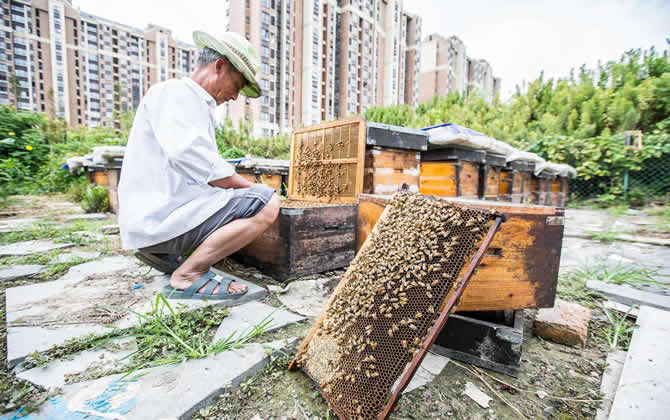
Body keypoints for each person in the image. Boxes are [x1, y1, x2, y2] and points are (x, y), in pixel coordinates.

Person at [118, 31, 279, 300]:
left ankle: (167, 253)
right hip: (156, 221)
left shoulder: (190, 103)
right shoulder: (176, 94)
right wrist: (253, 187)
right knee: (267, 202)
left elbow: (198, 171)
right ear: (220, 67)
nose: (236, 97)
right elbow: (203, 165)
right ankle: (189, 274)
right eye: (237, 86)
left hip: (157, 218)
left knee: (237, 197)